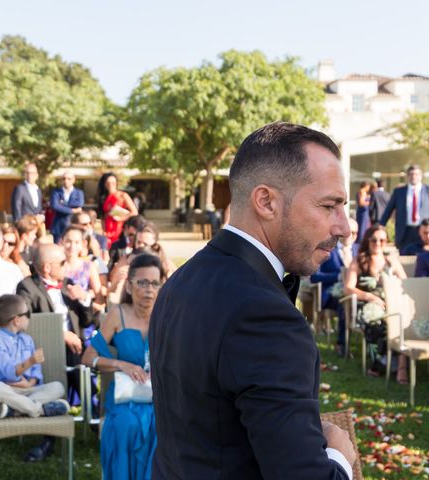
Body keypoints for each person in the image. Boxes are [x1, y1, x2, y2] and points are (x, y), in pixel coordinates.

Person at [149, 122, 356, 479]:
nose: (344, 227)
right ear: (266, 201)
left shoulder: (181, 280)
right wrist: (338, 455)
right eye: (329, 205)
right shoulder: (264, 315)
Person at [82, 253, 162, 480]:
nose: (149, 289)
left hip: (159, 396)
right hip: (125, 397)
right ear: (129, 285)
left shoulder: (166, 315)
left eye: (155, 283)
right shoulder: (118, 315)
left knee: (160, 425)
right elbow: (89, 357)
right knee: (125, 425)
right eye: (142, 282)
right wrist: (121, 364)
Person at [16, 243, 94, 462]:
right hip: (45, 350)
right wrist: (61, 334)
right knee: (76, 367)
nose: (67, 266)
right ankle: (55, 435)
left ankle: (91, 423)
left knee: (80, 364)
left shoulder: (68, 285)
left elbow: (88, 320)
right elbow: (25, 321)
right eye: (62, 262)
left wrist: (84, 299)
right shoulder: (26, 287)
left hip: (77, 348)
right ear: (48, 268)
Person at [0, 294, 69, 420]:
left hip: (28, 390)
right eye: (28, 314)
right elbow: (10, 373)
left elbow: (36, 370)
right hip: (7, 390)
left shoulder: (27, 339)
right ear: (17, 320)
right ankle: (39, 410)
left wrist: (30, 383)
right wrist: (31, 361)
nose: (30, 318)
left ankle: (14, 410)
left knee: (58, 387)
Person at [344, 225, 407, 380]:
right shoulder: (359, 260)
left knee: (400, 321)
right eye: (374, 240)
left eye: (382, 240)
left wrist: (394, 269)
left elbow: (406, 284)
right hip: (366, 305)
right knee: (378, 324)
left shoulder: (390, 260)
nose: (378, 243)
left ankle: (400, 365)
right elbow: (348, 288)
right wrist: (370, 297)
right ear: (368, 241)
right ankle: (381, 365)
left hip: (390, 303)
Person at [311, 218, 359, 356]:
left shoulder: (360, 250)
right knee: (345, 303)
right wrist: (337, 276)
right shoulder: (327, 249)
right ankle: (342, 344)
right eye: (351, 232)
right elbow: (315, 277)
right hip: (332, 295)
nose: (353, 236)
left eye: (356, 233)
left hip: (356, 293)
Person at [380, 164, 429, 251]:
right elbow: (388, 210)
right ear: (407, 176)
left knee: (423, 260)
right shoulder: (399, 192)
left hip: (424, 232)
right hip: (405, 232)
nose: (413, 176)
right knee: (404, 259)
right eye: (411, 174)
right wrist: (381, 225)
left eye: (416, 174)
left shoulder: (427, 190)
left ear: (421, 176)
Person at [102, 173, 138, 249]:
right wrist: (104, 230)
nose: (110, 185)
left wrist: (121, 218)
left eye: (113, 183)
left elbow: (134, 212)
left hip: (120, 229)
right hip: (108, 230)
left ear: (116, 184)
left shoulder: (123, 195)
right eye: (108, 183)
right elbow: (104, 216)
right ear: (105, 184)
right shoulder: (104, 198)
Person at [50, 171, 85, 244]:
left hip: (73, 226)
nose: (66, 181)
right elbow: (55, 206)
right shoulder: (56, 192)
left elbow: (80, 204)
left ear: (73, 180)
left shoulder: (79, 193)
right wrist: (72, 210)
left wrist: (62, 204)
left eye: (69, 179)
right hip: (58, 227)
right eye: (64, 179)